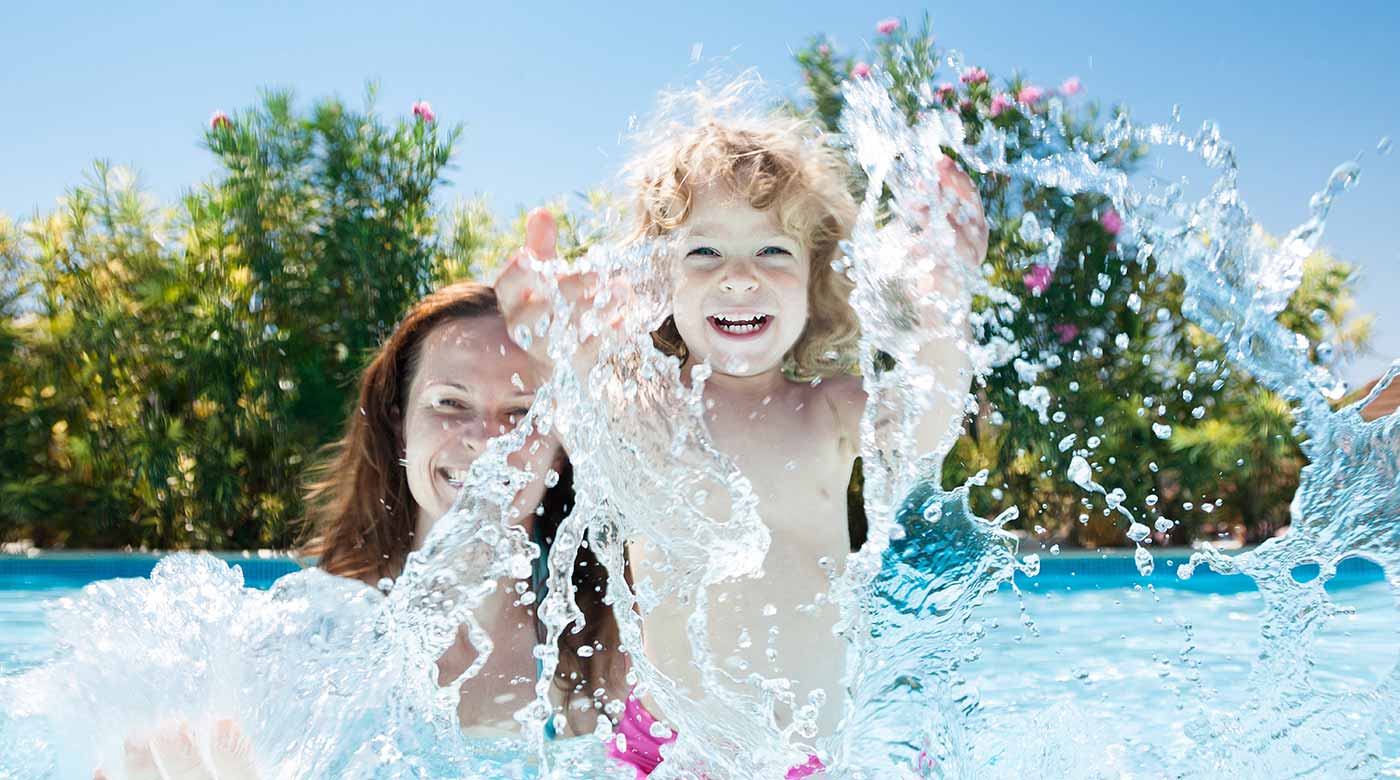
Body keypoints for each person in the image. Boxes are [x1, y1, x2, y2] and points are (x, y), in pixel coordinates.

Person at [496, 111, 986, 775]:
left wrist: (943, 305)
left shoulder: (829, 411)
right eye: (704, 252)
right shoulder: (646, 408)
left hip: (800, 759)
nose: (738, 276)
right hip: (665, 752)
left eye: (772, 251)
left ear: (816, 278)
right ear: (657, 279)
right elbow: (568, 388)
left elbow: (928, 423)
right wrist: (546, 328)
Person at [98, 281, 628, 779]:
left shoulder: (610, 638)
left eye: (520, 411)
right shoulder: (314, 637)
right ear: (399, 423)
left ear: (562, 438)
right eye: (450, 403)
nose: (485, 439)